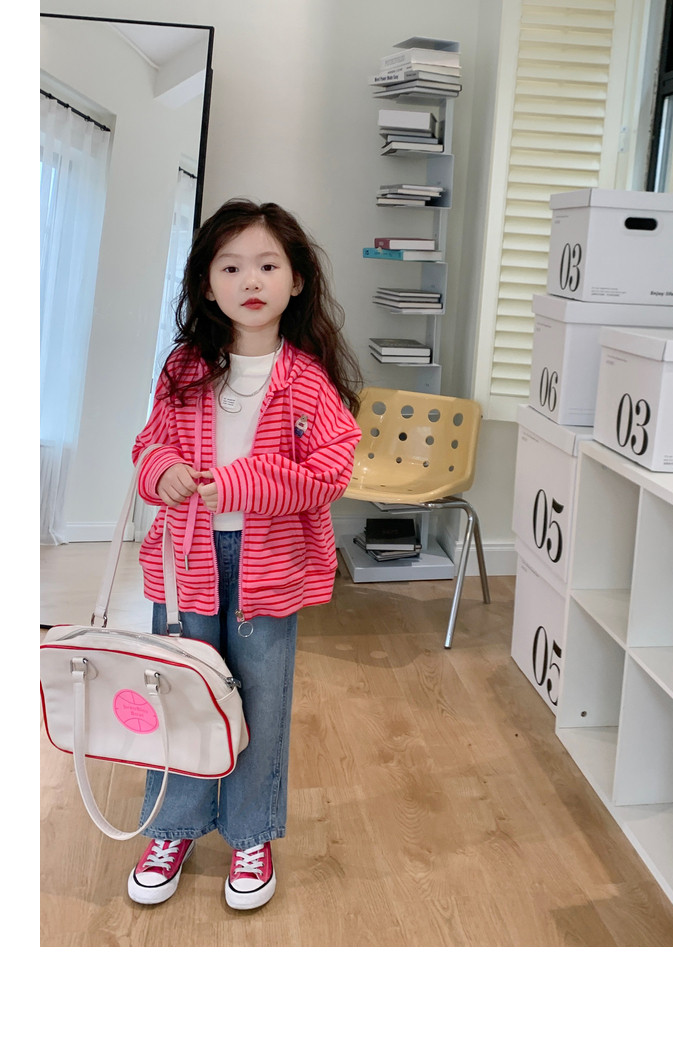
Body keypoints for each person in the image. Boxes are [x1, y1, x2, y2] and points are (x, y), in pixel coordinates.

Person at [128, 199, 362, 909]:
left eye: (267, 265)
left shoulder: (307, 380)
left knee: (259, 699)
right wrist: (163, 467)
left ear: (297, 280)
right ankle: (172, 826)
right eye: (230, 267)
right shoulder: (184, 368)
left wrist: (237, 483)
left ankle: (250, 833)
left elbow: (330, 470)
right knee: (181, 692)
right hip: (187, 561)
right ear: (206, 283)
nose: (250, 280)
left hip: (270, 566)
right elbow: (148, 445)